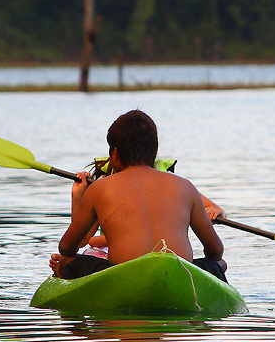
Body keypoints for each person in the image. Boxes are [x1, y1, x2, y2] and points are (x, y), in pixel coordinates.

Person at [49, 109, 227, 281]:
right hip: (179, 272)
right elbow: (215, 250)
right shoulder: (186, 187)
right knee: (220, 263)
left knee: (66, 261)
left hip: (123, 275)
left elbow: (67, 247)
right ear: (155, 152)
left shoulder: (99, 188)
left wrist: (78, 198)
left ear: (115, 154)